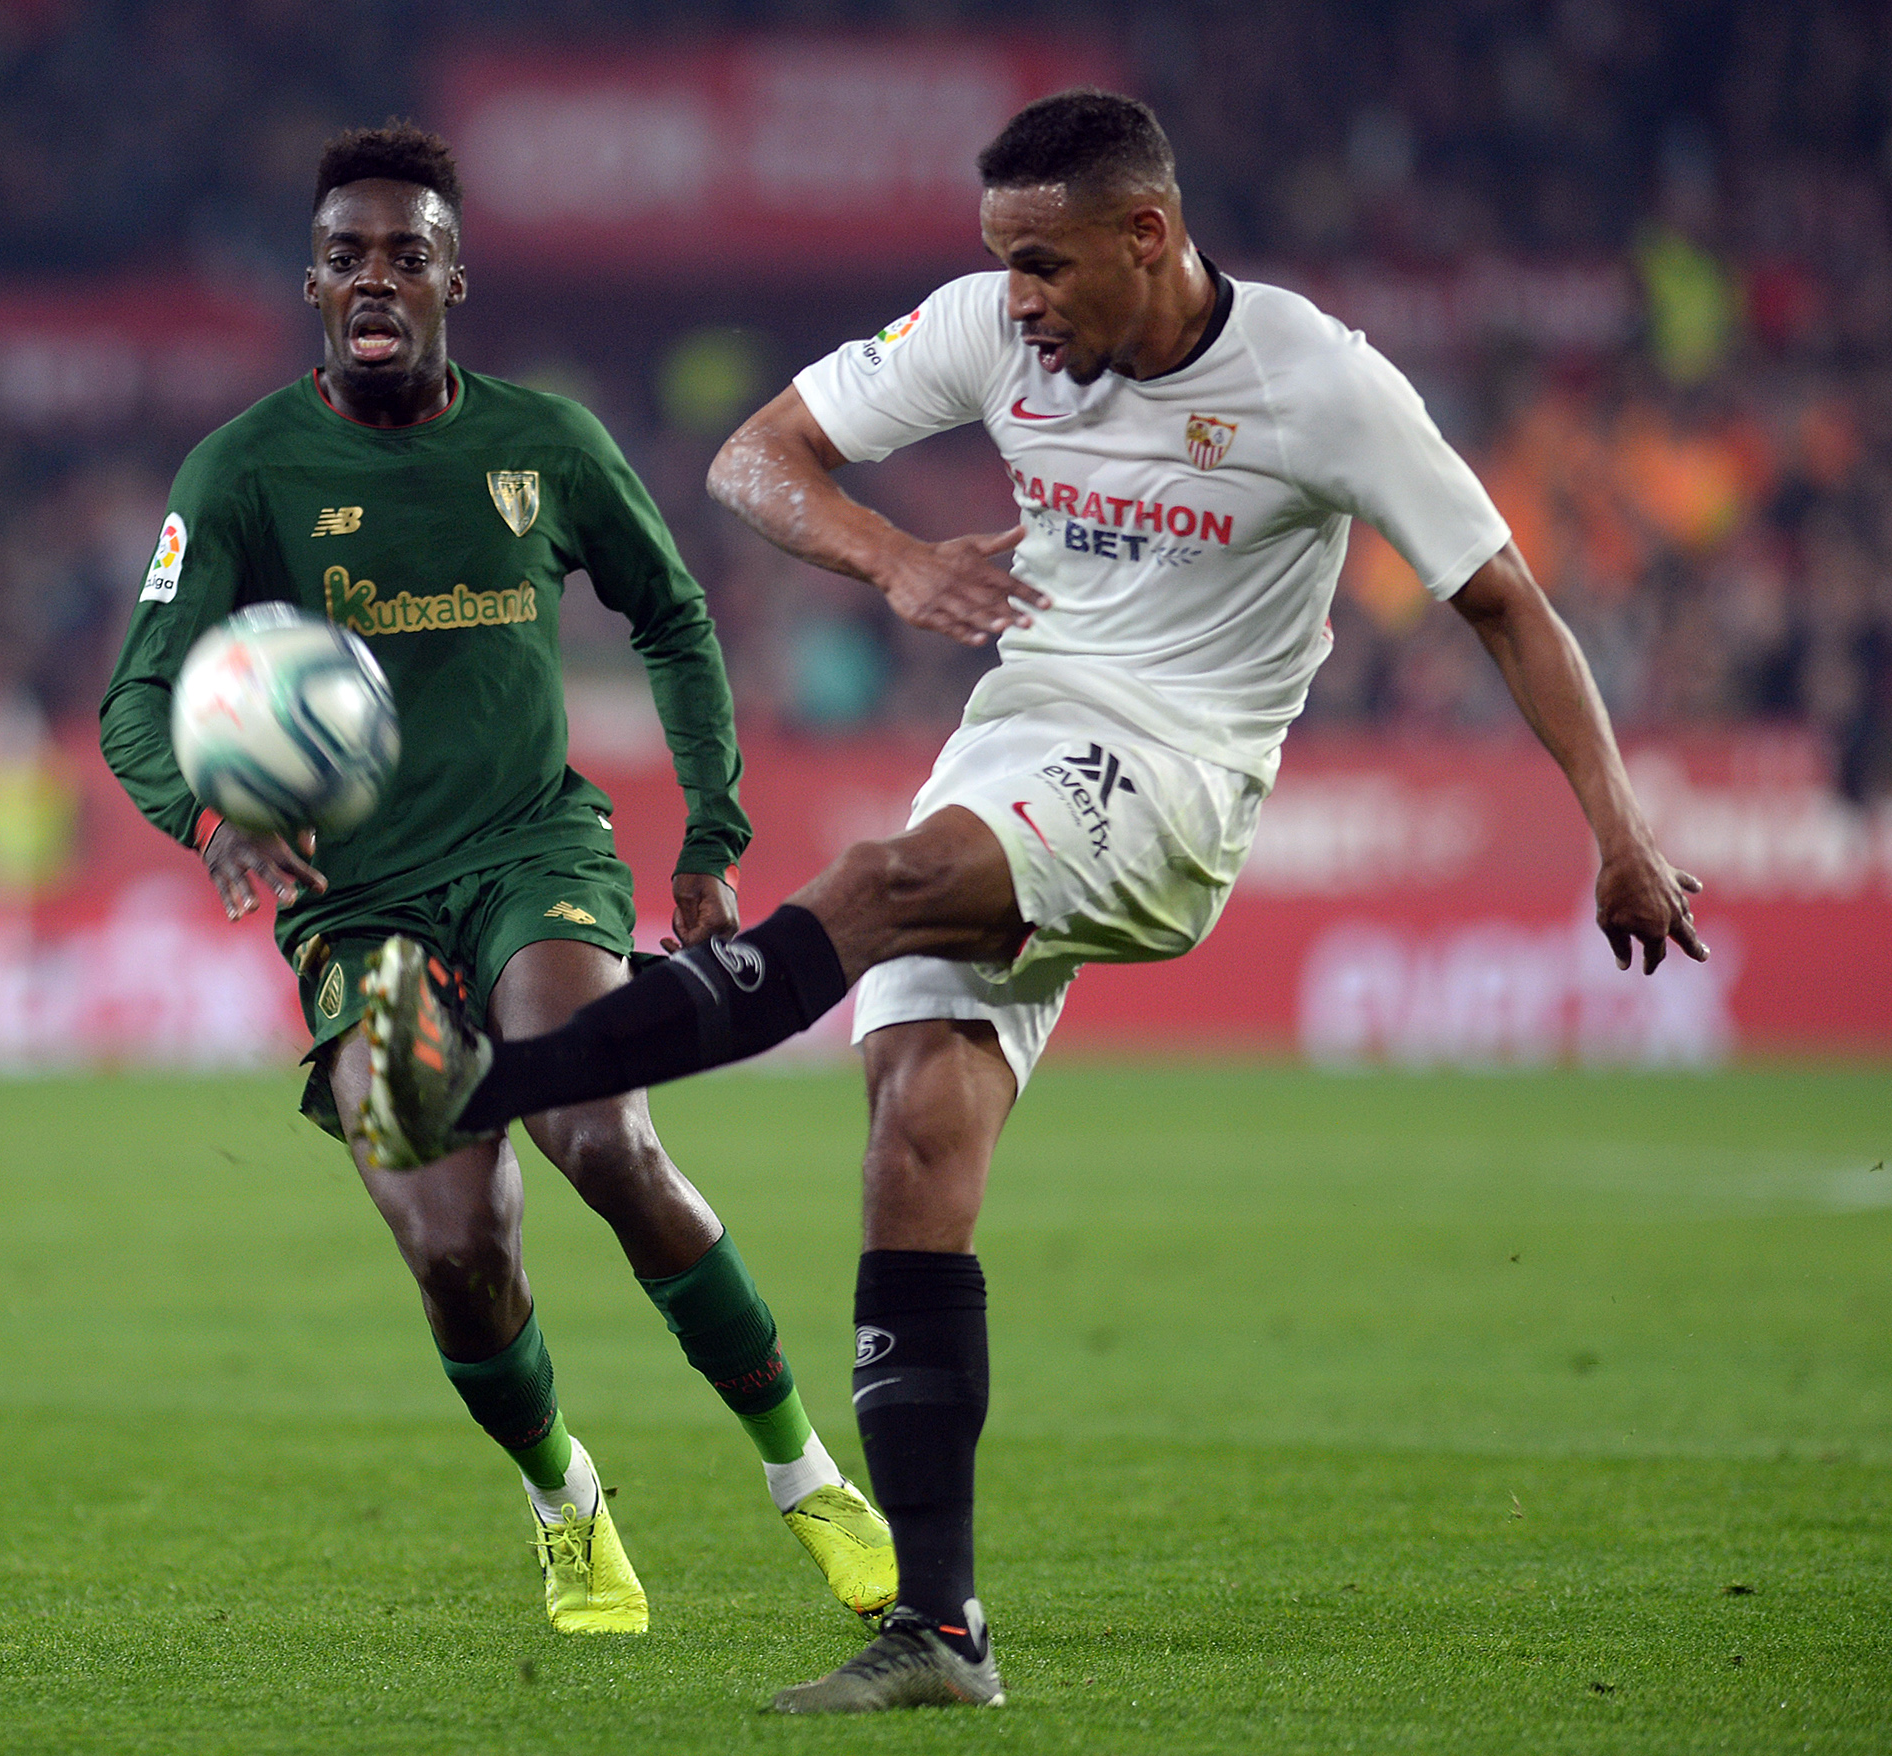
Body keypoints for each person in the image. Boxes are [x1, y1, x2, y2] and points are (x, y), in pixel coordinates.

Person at [358, 91, 1709, 1708]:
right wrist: (894, 558)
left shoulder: (1319, 381)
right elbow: (753, 460)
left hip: (1176, 778)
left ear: (1147, 235)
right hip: (1015, 740)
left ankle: (476, 1087)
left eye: (1048, 266)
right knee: (914, 1131)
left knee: (878, 880)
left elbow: (1506, 602)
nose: (1020, 303)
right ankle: (940, 1631)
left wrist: (1617, 832)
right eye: (1003, 264)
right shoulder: (991, 328)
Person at [99, 122, 894, 1638]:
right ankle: (563, 1501)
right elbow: (136, 700)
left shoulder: (547, 444)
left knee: (600, 1130)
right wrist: (215, 823)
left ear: (457, 276)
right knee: (461, 1252)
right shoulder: (246, 472)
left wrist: (712, 832)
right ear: (313, 287)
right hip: (356, 908)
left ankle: (805, 1476)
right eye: (346, 256)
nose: (375, 277)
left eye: (406, 252)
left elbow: (671, 616)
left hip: (536, 854)